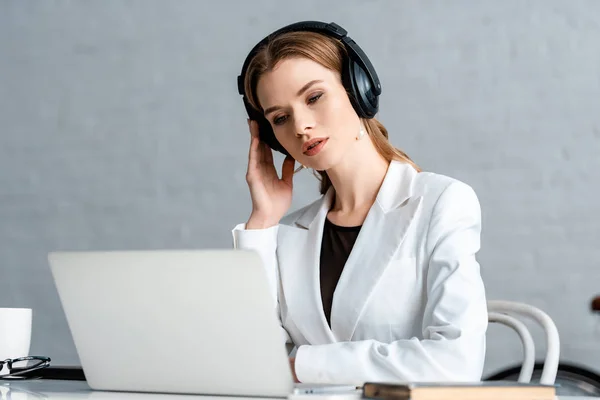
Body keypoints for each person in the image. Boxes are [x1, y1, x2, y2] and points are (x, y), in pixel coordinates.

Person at [232, 21, 488, 385]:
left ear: (359, 90)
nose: (301, 125)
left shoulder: (439, 203)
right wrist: (262, 222)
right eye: (281, 118)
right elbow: (245, 361)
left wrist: (300, 367)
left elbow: (456, 363)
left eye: (314, 97)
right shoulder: (287, 234)